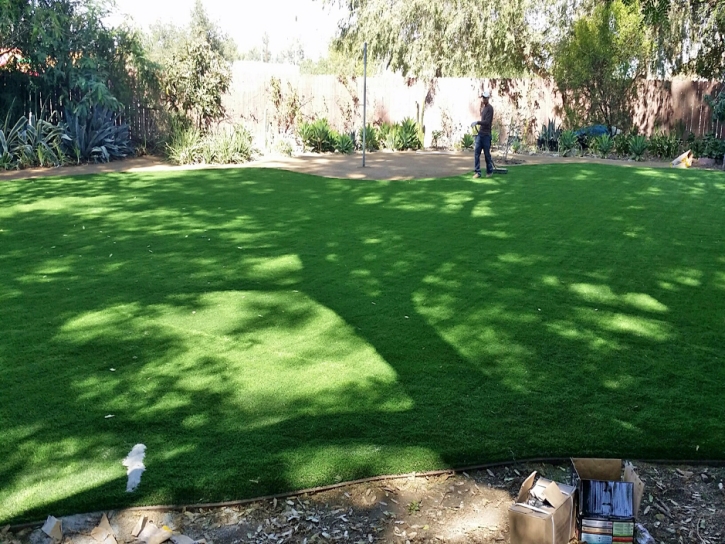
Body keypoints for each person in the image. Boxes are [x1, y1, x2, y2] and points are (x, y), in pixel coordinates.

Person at [471, 91, 494, 178]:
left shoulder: (490, 109)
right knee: (476, 153)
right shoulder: (484, 108)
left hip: (486, 135)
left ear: (488, 98)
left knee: (487, 154)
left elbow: (487, 122)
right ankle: (477, 172)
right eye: (483, 98)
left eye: (485, 98)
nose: (483, 99)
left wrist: (477, 122)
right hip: (480, 134)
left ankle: (489, 171)